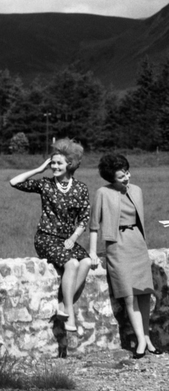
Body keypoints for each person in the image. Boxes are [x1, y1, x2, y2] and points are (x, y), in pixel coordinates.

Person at [9, 138, 92, 354]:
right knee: (72, 263)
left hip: (68, 239)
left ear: (70, 165)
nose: (55, 167)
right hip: (46, 238)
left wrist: (74, 238)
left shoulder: (81, 189)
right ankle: (70, 314)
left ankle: (64, 305)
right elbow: (14, 182)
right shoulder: (45, 184)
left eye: (59, 164)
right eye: (52, 163)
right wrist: (39, 169)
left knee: (86, 261)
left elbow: (84, 218)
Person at [88, 154, 156, 359]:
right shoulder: (102, 193)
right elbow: (94, 226)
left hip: (137, 243)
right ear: (111, 178)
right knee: (128, 294)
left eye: (127, 173)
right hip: (117, 245)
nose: (126, 178)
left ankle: (147, 338)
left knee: (144, 292)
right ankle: (141, 341)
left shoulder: (137, 190)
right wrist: (92, 252)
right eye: (121, 176)